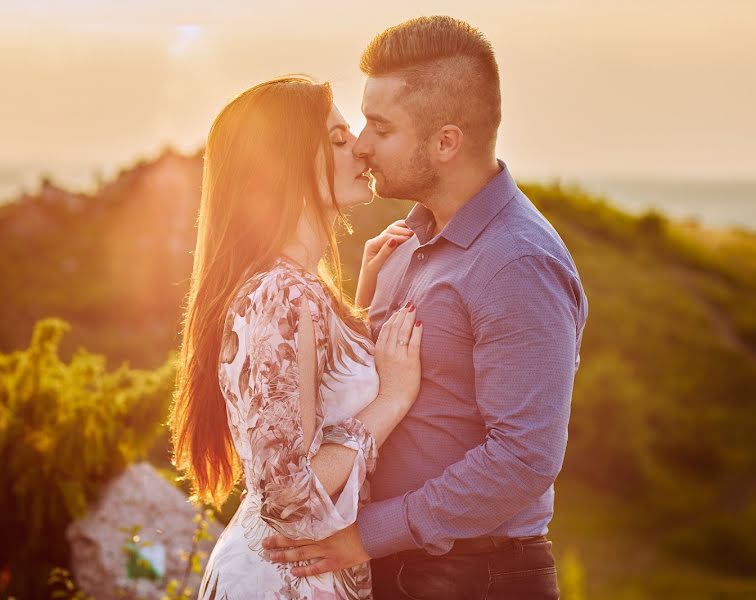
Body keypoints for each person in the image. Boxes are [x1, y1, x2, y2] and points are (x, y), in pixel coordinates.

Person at [263, 16, 589, 600]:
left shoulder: (516, 264)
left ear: (445, 141)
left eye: (380, 128)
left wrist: (368, 535)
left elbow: (524, 458)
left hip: (473, 579)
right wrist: (358, 308)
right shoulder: (404, 244)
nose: (361, 144)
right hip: (393, 570)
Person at [171, 75, 421, 599]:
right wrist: (392, 400)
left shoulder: (292, 289)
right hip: (281, 581)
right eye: (335, 139)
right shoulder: (281, 294)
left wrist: (361, 309)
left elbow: (314, 407)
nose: (359, 147)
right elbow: (286, 493)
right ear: (284, 167)